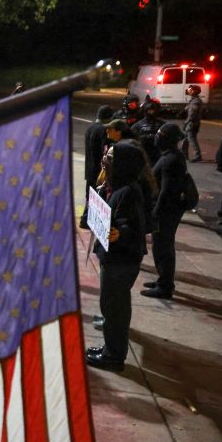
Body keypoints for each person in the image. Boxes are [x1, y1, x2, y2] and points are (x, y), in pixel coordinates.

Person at [86, 140, 147, 371]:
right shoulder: (117, 186)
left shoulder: (129, 192)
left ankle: (113, 356)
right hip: (114, 259)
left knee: (115, 309)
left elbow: (136, 226)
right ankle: (109, 348)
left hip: (121, 261)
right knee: (110, 306)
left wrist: (119, 234)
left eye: (110, 158)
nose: (105, 161)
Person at [141, 123, 187, 300]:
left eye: (160, 135)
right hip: (167, 211)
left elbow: (166, 191)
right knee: (161, 247)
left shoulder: (171, 160)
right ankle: (163, 279)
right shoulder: (170, 156)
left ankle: (165, 286)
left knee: (163, 248)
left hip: (166, 213)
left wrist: (156, 212)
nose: (156, 138)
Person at [80, 105, 113, 228]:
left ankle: (85, 219)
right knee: (98, 197)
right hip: (99, 170)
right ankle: (90, 220)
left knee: (89, 196)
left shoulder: (90, 127)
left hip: (89, 168)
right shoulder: (104, 130)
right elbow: (105, 151)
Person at [133, 98, 166, 165]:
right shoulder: (139, 124)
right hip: (144, 152)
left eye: (153, 110)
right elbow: (131, 136)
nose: (151, 112)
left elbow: (172, 134)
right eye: (150, 111)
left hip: (158, 152)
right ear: (145, 111)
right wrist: (143, 138)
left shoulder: (161, 123)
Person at [182, 84, 204, 162]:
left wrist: (186, 122)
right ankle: (184, 155)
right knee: (185, 139)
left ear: (195, 91)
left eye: (190, 90)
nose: (189, 91)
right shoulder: (193, 100)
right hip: (191, 123)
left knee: (191, 140)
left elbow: (192, 114)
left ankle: (198, 155)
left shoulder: (196, 101)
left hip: (192, 123)